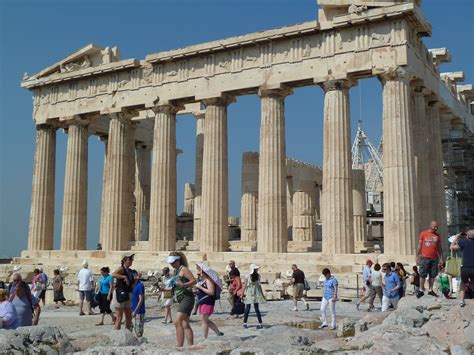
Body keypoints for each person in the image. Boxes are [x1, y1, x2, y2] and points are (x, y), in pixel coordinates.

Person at [168, 251, 197, 347]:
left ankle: (179, 346)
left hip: (187, 297)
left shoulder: (184, 269)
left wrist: (183, 284)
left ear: (178, 260)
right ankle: (191, 346)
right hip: (180, 298)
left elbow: (194, 281)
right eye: (170, 262)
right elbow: (175, 285)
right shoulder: (175, 271)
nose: (171, 264)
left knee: (177, 322)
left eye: (173, 262)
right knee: (185, 324)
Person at [195, 263, 224, 339]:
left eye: (199, 270)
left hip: (207, 302)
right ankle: (218, 333)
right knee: (205, 320)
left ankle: (205, 338)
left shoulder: (209, 280)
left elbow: (211, 292)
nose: (198, 271)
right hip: (203, 302)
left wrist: (200, 288)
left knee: (204, 321)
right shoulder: (204, 280)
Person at [416, 220, 443, 298]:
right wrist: (417, 256)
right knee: (422, 274)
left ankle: (430, 290)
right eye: (435, 226)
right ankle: (421, 290)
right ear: (430, 225)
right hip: (425, 257)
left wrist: (441, 258)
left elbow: (439, 248)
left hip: (434, 258)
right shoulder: (424, 233)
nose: (436, 228)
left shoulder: (438, 236)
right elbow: (419, 245)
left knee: (433, 274)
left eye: (437, 226)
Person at [450, 229, 474, 307]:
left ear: (467, 236)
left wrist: (457, 237)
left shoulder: (463, 242)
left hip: (465, 267)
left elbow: (452, 247)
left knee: (463, 282)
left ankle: (461, 300)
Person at [112, 253, 135, 330]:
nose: (131, 261)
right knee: (119, 318)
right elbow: (113, 274)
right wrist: (123, 276)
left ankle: (127, 335)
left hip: (128, 294)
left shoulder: (130, 271)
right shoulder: (121, 269)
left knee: (129, 317)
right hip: (120, 294)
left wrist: (137, 279)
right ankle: (117, 336)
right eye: (130, 259)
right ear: (124, 260)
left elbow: (131, 284)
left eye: (132, 259)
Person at [243, 264, 265, 329]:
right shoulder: (258, 276)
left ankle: (245, 323)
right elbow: (259, 285)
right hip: (256, 292)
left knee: (247, 308)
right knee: (256, 308)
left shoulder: (247, 276)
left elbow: (245, 285)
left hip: (249, 292)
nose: (257, 269)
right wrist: (262, 294)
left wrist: (242, 293)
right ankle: (260, 323)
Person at [131, 270, 145, 337]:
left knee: (138, 331)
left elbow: (141, 299)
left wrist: (135, 310)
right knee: (130, 329)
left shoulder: (140, 285)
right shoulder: (131, 285)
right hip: (131, 309)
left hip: (138, 311)